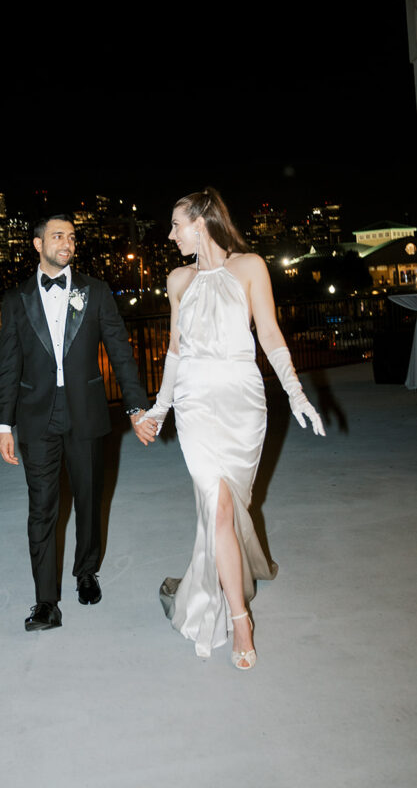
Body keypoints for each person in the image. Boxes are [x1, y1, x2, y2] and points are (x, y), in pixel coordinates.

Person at [135, 188, 324, 669]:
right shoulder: (178, 280)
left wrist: (296, 393)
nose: (171, 233)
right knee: (216, 504)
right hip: (195, 400)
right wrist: (159, 408)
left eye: (177, 224)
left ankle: (241, 572)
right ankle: (239, 619)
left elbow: (271, 334)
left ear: (201, 221)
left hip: (243, 400)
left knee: (232, 500)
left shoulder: (250, 267)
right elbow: (175, 350)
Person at [0, 213, 149, 631]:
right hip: (36, 418)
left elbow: (119, 350)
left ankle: (86, 571)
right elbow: (8, 366)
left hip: (86, 411)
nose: (67, 242)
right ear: (37, 243)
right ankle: (46, 602)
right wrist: (2, 425)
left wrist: (136, 406)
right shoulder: (16, 299)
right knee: (42, 508)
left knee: (87, 497)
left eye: (72, 237)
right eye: (58, 236)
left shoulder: (95, 292)